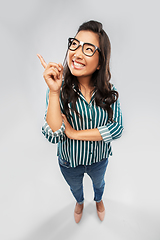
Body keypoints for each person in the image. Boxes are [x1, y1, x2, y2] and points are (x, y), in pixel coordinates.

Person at [37, 20, 123, 223]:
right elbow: (53, 134)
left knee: (99, 184)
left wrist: (75, 134)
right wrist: (55, 92)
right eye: (74, 44)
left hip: (99, 159)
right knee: (75, 187)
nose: (76, 52)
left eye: (88, 49)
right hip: (69, 161)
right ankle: (80, 202)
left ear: (100, 62)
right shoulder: (59, 89)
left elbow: (117, 129)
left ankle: (99, 199)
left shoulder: (108, 91)